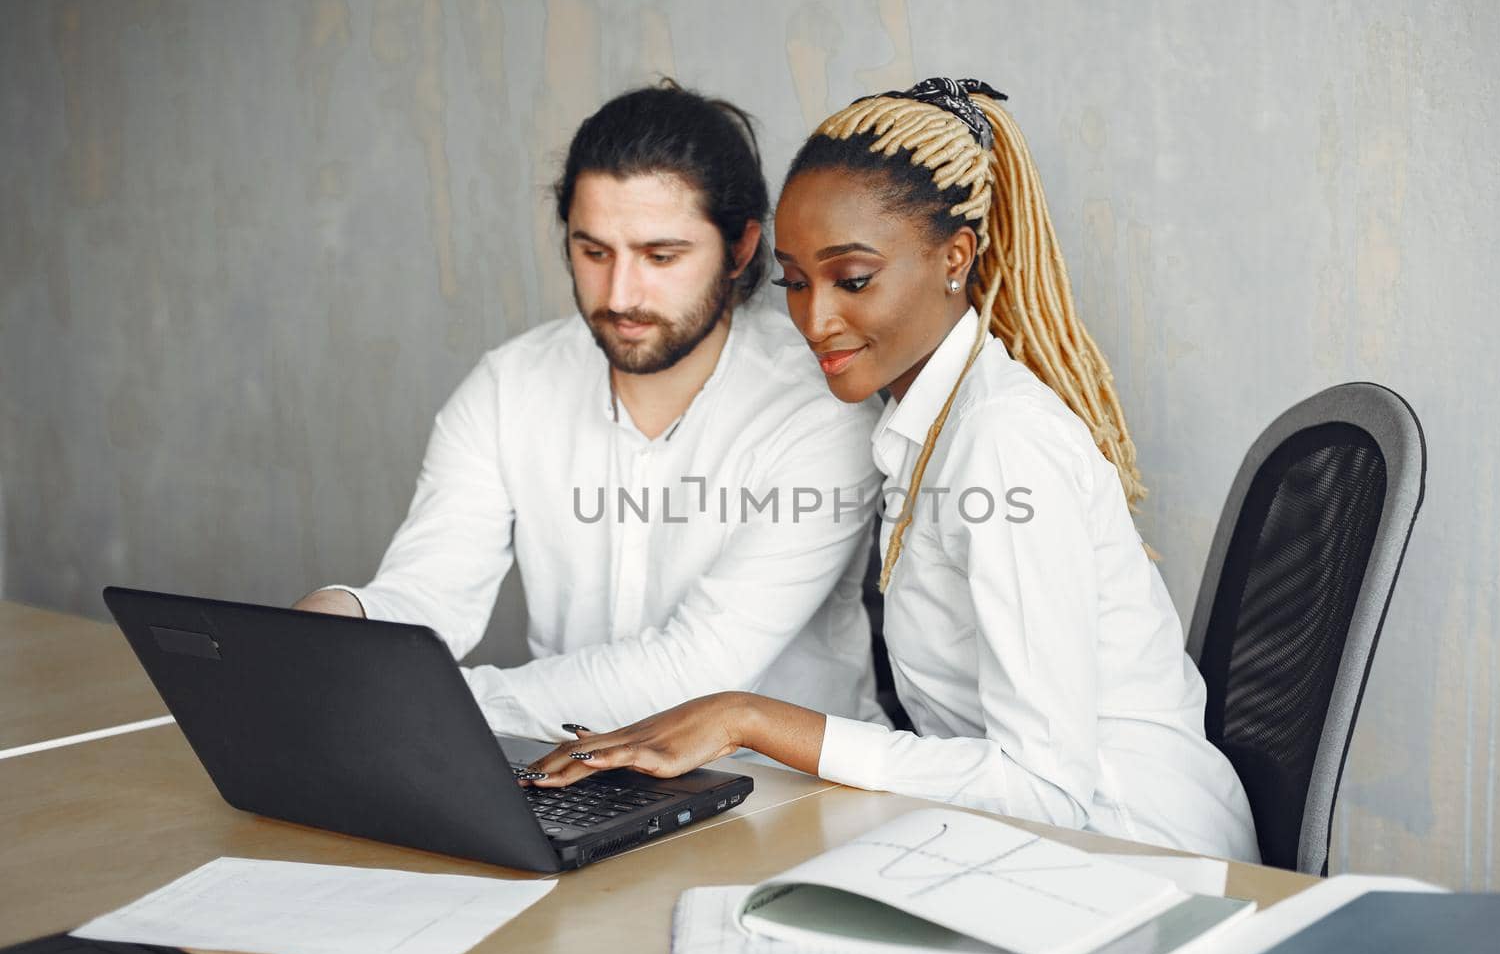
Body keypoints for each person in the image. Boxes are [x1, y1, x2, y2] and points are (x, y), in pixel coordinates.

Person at [525, 78, 1259, 861]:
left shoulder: (1002, 439)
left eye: (853, 279)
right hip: (1026, 845)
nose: (814, 319)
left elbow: (1048, 787)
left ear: (955, 257)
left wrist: (751, 717)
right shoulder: (920, 425)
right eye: (797, 282)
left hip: (1142, 856)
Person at [295, 82, 887, 741]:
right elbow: (431, 591)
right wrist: (348, 620)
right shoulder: (508, 387)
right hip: (573, 780)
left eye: (661, 256)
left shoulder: (823, 410)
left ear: (741, 249)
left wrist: (429, 701)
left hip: (789, 800)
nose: (621, 293)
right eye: (593, 251)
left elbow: (700, 669)